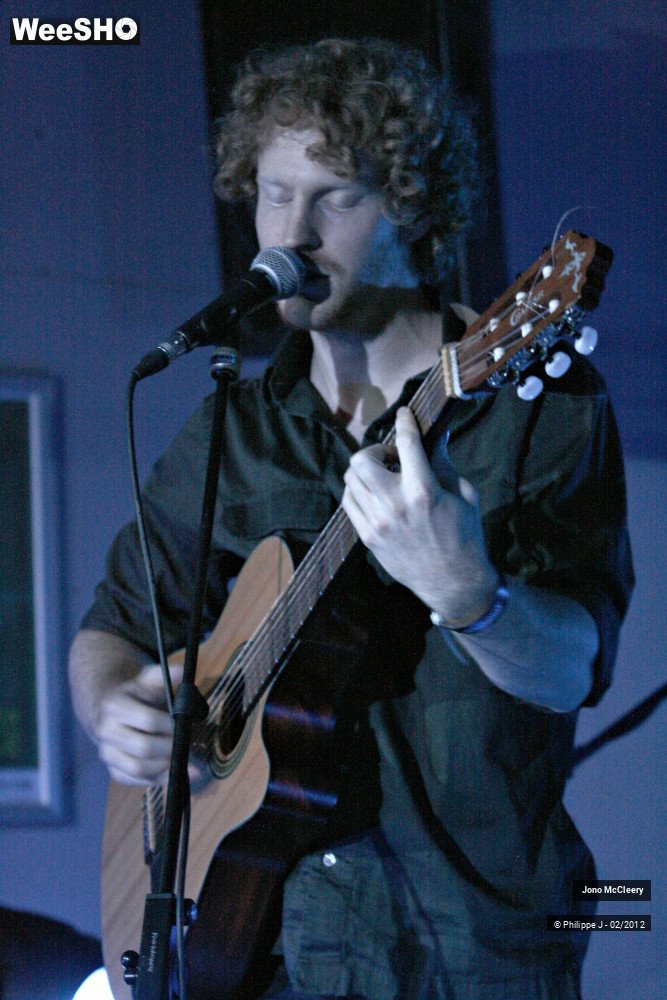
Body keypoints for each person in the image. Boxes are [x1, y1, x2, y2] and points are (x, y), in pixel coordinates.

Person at [69, 38, 633, 999]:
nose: (288, 233)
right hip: (253, 944)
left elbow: (570, 668)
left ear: (412, 207)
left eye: (335, 196)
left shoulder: (536, 403)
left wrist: (469, 594)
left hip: (472, 950)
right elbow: (115, 630)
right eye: (272, 192)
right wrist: (115, 713)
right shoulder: (230, 429)